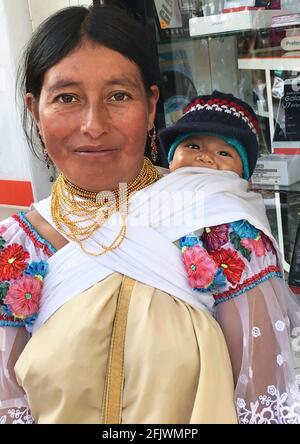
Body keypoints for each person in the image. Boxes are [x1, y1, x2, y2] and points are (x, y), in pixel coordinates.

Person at [0, 6, 237, 424]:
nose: (94, 124)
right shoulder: (14, 248)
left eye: (118, 96)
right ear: (35, 111)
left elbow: (264, 400)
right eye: (67, 98)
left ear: (150, 107)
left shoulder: (220, 228)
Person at [157, 91, 300, 423]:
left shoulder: (237, 231)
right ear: (171, 155)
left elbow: (256, 346)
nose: (207, 158)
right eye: (193, 146)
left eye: (224, 152)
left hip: (204, 391)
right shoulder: (144, 202)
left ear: (243, 173)